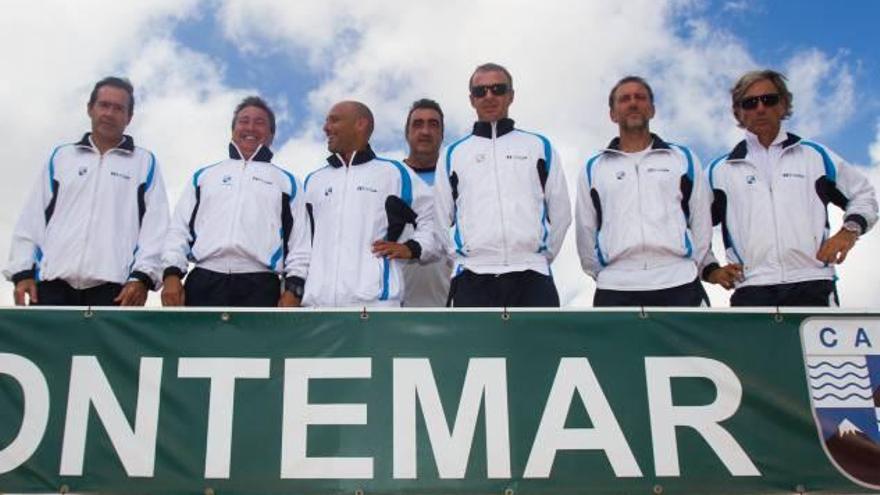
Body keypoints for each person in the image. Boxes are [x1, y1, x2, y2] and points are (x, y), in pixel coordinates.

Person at [704, 69, 877, 306]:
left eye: (769, 99)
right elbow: (691, 224)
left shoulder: (816, 156)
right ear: (738, 112)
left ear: (784, 105)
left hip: (813, 283)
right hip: (752, 288)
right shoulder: (718, 171)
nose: (760, 108)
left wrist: (849, 230)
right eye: (750, 103)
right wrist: (710, 269)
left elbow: (863, 195)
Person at [4, 76, 169, 306]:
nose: (109, 113)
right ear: (90, 109)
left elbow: (156, 229)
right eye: (103, 105)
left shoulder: (144, 163)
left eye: (118, 108)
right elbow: (32, 218)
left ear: (129, 117)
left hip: (115, 290)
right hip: (51, 286)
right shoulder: (61, 158)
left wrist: (142, 277)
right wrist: (22, 272)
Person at [434, 62, 571, 307]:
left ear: (511, 95)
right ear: (471, 99)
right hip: (473, 278)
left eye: (498, 89)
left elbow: (561, 212)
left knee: (537, 347)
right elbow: (440, 218)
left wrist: (539, 255)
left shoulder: (539, 147)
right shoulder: (453, 154)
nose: (489, 96)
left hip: (532, 276)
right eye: (480, 91)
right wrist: (462, 259)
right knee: (477, 347)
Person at [575, 76, 712, 306]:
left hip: (679, 280)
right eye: (624, 99)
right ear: (613, 114)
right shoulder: (594, 168)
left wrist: (689, 266)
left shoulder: (682, 159)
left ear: (652, 109)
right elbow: (585, 230)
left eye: (640, 97)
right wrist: (607, 274)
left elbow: (701, 220)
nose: (633, 103)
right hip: (616, 286)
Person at [161, 96, 308, 307]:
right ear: (233, 129)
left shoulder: (287, 182)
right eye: (244, 121)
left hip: (260, 285)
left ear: (271, 134)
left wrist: (294, 288)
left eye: (259, 122)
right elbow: (178, 230)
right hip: (204, 280)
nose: (250, 127)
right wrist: (172, 275)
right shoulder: (204, 177)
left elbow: (300, 243)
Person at [294, 100, 438, 307]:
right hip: (318, 309)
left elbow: (434, 218)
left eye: (334, 121)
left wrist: (413, 247)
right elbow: (299, 243)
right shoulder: (314, 181)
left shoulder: (394, 173)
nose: (326, 128)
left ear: (360, 124)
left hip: (376, 308)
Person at [400, 98, 454, 307]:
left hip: (448, 308)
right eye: (417, 124)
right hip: (391, 309)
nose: (425, 131)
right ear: (407, 133)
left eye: (433, 124)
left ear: (442, 134)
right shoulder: (390, 179)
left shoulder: (457, 180)